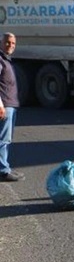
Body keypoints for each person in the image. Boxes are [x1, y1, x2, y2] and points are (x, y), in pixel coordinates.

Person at [0, 32, 23, 182]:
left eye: (13, 43)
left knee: (6, 139)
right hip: (5, 105)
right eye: (8, 42)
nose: (10, 45)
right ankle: (3, 171)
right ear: (1, 43)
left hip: (11, 105)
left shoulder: (7, 60)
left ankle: (5, 167)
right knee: (3, 139)